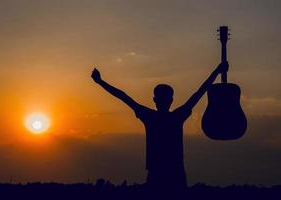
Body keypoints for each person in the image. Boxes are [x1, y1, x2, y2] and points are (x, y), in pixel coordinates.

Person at [91, 62, 228, 191]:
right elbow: (199, 93)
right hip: (176, 174)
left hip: (156, 174)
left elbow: (123, 97)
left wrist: (100, 82)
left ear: (154, 100)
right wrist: (217, 71)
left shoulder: (150, 117)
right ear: (171, 100)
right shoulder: (177, 117)